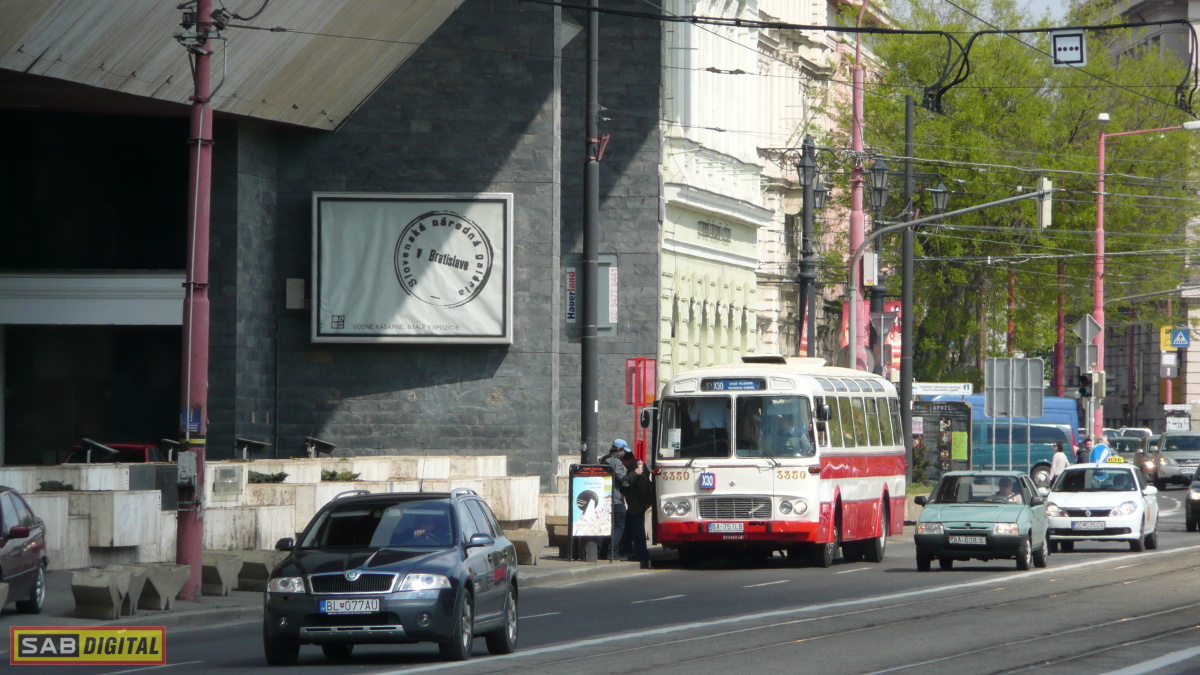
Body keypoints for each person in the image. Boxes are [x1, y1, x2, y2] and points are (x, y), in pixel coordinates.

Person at [600, 439, 632, 560]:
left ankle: (603, 552)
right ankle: (613, 552)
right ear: (619, 449)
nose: (624, 453)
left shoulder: (603, 459)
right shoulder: (616, 462)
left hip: (604, 498)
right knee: (619, 526)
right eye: (623, 450)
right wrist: (633, 475)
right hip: (615, 499)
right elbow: (623, 481)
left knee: (606, 526)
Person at [622, 458, 655, 569]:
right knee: (629, 527)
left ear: (626, 461)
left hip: (637, 505)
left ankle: (641, 553)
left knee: (638, 529)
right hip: (635, 505)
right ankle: (628, 550)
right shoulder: (638, 466)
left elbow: (642, 486)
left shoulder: (636, 468)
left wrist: (646, 502)